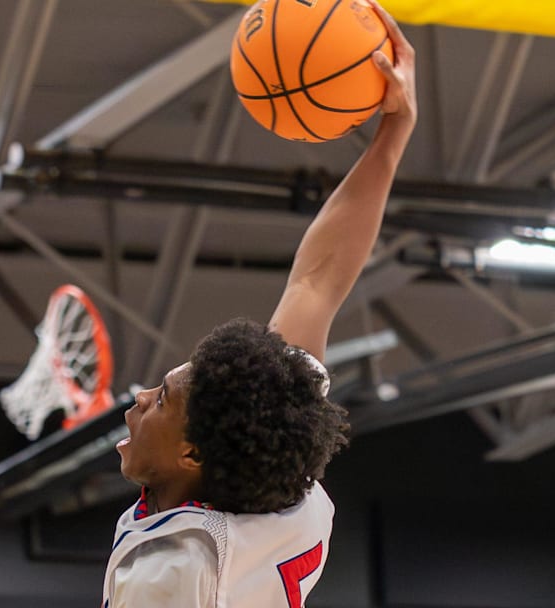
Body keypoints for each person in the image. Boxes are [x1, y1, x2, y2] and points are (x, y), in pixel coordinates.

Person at [102, 2, 417, 606]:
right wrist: (392, 133)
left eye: (161, 399)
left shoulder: (171, 573)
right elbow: (315, 282)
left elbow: (316, 284)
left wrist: (396, 129)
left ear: (193, 452)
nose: (139, 399)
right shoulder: (274, 475)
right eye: (159, 394)